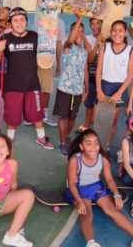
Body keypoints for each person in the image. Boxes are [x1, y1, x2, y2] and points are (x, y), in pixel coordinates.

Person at [66, 128, 133, 247]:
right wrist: (79, 201)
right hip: (79, 189)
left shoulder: (103, 158)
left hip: (96, 187)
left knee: (112, 210)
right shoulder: (75, 159)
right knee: (87, 215)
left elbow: (109, 179)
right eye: (89, 144)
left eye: (96, 143)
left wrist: (116, 194)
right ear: (81, 146)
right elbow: (71, 183)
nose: (94, 147)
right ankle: (91, 243)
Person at [0, 8, 53, 149]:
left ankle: (41, 138)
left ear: (26, 21)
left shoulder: (35, 36)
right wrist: (0, 49)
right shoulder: (4, 38)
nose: (19, 23)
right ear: (10, 23)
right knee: (12, 117)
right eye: (15, 20)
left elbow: (47, 52)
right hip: (13, 85)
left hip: (32, 84)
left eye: (22, 19)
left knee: (37, 115)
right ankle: (9, 140)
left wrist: (51, 36)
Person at [34, 0, 66, 127]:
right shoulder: (39, 15)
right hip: (35, 58)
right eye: (48, 0)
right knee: (33, 89)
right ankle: (31, 114)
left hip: (50, 59)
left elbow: (59, 44)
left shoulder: (59, 22)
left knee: (46, 88)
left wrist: (58, 64)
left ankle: (44, 114)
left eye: (54, 1)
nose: (50, 3)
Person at [95, 20, 133, 150]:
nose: (117, 33)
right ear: (110, 32)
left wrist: (118, 94)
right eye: (114, 30)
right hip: (104, 86)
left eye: (120, 31)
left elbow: (130, 76)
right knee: (98, 119)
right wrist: (99, 90)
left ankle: (106, 147)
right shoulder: (105, 47)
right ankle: (95, 146)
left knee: (112, 120)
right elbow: (99, 71)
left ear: (125, 33)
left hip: (120, 88)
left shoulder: (131, 51)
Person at [52, 10, 88, 156]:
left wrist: (87, 90)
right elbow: (72, 39)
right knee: (63, 117)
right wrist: (79, 19)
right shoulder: (68, 47)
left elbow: (85, 70)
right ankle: (62, 142)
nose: (79, 34)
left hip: (78, 91)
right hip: (65, 89)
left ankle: (66, 137)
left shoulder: (84, 51)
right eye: (76, 31)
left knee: (72, 118)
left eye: (82, 31)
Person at [83, 17, 103, 128]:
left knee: (99, 104)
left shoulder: (109, 38)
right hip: (91, 76)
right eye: (92, 23)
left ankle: (95, 127)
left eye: (98, 23)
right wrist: (97, 44)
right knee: (89, 104)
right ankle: (86, 127)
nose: (95, 26)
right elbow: (89, 60)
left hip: (103, 77)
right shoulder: (87, 38)